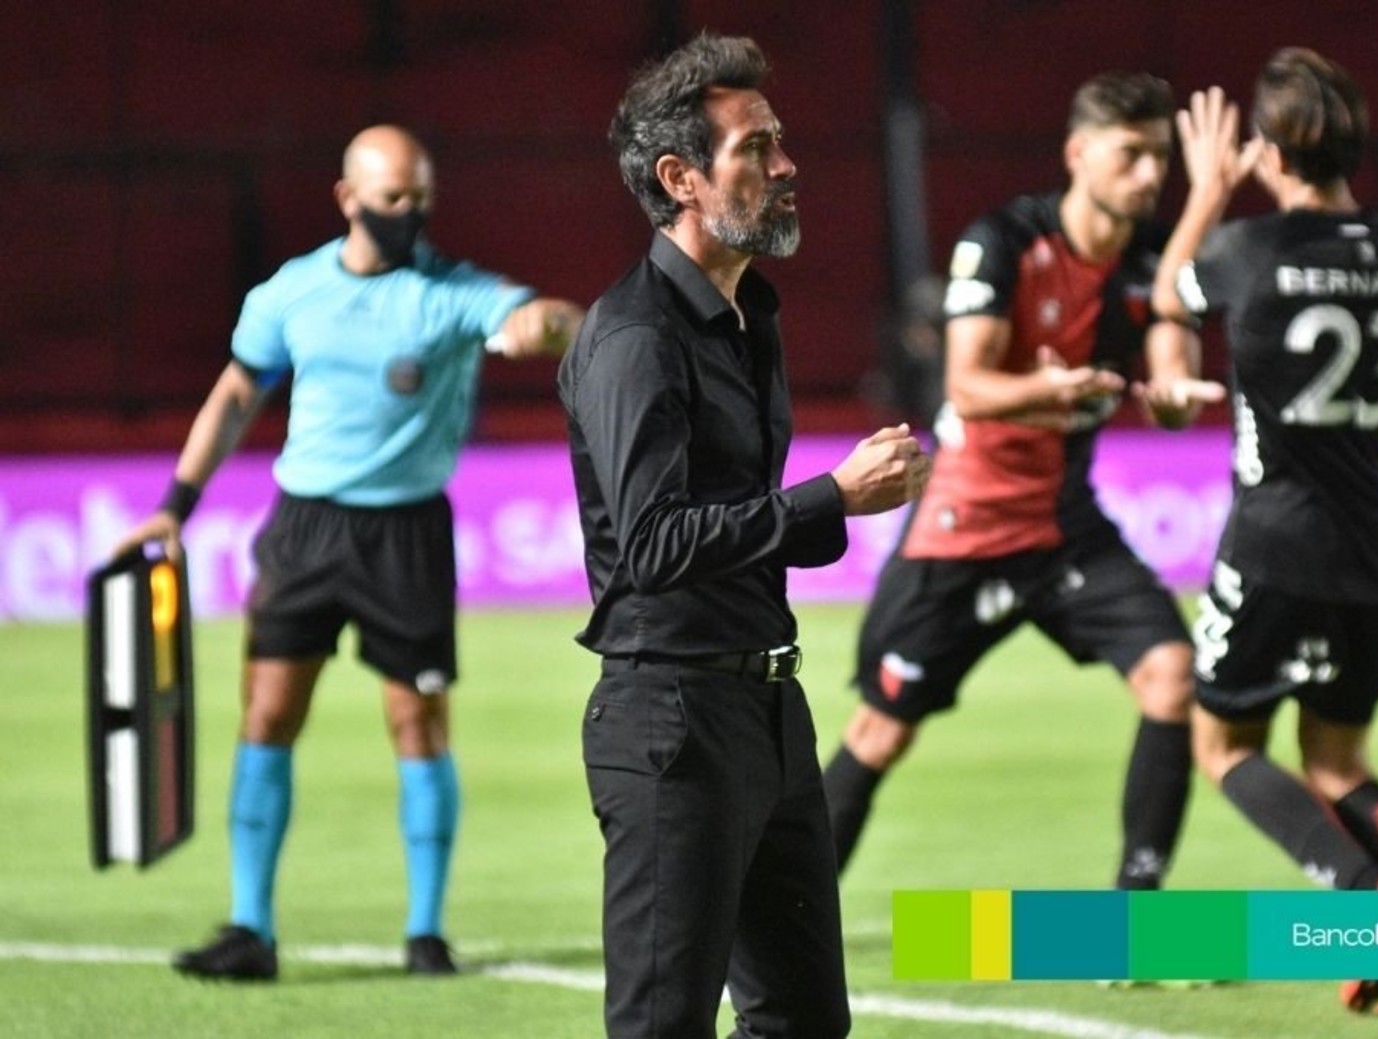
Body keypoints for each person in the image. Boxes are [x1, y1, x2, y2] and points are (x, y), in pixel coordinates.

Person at [111, 124, 584, 982]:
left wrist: (542, 324)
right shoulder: (290, 294)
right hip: (306, 529)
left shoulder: (450, 293)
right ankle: (250, 927)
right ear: (348, 198)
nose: (409, 212)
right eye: (393, 197)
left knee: (417, 723)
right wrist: (175, 505)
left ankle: (425, 932)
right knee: (267, 716)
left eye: (421, 198)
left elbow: (552, 319)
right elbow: (236, 393)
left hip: (406, 534)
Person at [559, 33, 930, 1039]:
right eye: (756, 148)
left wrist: (833, 508)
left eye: (779, 141)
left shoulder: (746, 313)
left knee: (804, 1023)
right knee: (661, 1024)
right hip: (670, 721)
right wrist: (830, 498)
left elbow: (737, 519)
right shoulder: (634, 337)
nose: (786, 165)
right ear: (679, 178)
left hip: (767, 708)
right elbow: (653, 545)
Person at [821, 72, 1225, 896]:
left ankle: (1132, 917)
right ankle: (781, 924)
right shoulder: (1004, 239)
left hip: (1062, 524)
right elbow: (964, 387)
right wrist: (1051, 387)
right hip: (962, 523)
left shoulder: (1152, 261)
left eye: (1160, 157)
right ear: (1078, 154)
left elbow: (1172, 387)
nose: (1149, 174)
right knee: (881, 732)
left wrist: (1173, 395)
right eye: (1130, 154)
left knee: (1171, 674)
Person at [1150, 49, 1378, 1015]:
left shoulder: (1249, 249)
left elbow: (1168, 294)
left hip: (1272, 540)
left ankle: (1367, 900)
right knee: (1339, 761)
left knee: (1222, 745)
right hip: (1371, 543)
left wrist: (1208, 191)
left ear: (1271, 151)